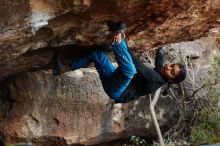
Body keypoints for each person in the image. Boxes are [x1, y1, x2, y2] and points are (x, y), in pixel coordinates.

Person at [53, 21, 186, 103]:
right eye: (172, 65)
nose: (168, 67)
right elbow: (160, 62)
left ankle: (118, 35)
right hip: (112, 78)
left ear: (171, 80)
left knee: (130, 70)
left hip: (118, 91)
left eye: (172, 72)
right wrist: (162, 46)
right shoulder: (161, 72)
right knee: (97, 55)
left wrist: (124, 45)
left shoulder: (156, 80)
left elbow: (137, 65)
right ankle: (63, 68)